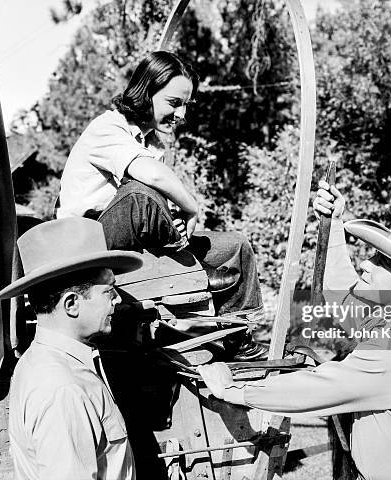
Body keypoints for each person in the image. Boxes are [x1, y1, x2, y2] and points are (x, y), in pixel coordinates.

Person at [199, 180, 391, 480]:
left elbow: (315, 390)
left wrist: (231, 389)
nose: (366, 263)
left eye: (383, 262)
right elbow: (340, 293)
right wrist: (333, 223)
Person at [58, 51, 265, 359]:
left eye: (186, 105)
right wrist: (191, 207)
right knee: (141, 189)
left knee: (234, 246)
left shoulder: (152, 142)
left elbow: (156, 201)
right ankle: (192, 269)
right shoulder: (107, 128)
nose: (181, 114)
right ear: (145, 93)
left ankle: (237, 335)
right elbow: (150, 178)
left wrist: (177, 222)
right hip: (89, 244)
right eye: (173, 103)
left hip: (135, 241)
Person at [0, 217, 144, 480]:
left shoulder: (47, 362)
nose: (117, 300)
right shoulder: (63, 388)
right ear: (72, 304)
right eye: (109, 291)